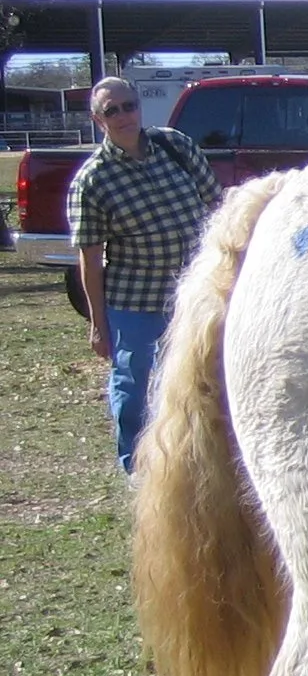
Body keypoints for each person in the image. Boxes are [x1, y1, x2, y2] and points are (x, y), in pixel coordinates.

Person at [67, 76, 221, 473]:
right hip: (135, 304)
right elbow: (90, 258)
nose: (123, 116)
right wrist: (99, 325)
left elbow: (217, 209)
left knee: (203, 382)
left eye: (128, 105)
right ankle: (136, 466)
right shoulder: (93, 180)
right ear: (97, 120)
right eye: (111, 111)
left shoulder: (176, 146)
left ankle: (196, 462)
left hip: (193, 297)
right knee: (134, 387)